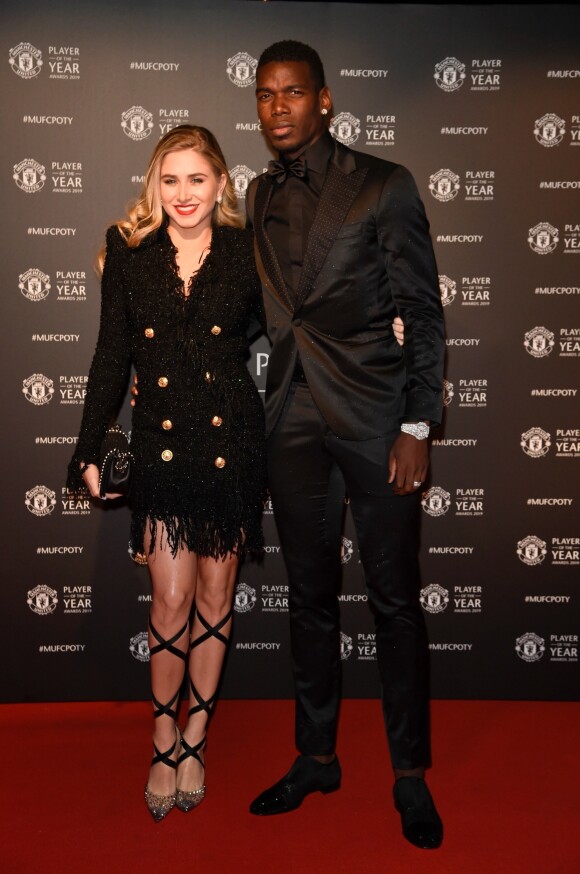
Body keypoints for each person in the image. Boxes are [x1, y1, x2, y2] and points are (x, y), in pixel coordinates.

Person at [246, 41, 445, 850]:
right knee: (308, 599)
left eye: (294, 93)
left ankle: (409, 774)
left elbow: (423, 311)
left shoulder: (384, 184)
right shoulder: (257, 193)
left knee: (395, 603)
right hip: (291, 420)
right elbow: (264, 312)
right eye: (265, 95)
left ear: (325, 100)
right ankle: (317, 754)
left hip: (374, 420)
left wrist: (417, 423)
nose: (279, 107)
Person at [67, 125, 267, 822]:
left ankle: (196, 734)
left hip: (231, 446)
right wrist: (89, 448)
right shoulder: (129, 255)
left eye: (198, 180)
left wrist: (381, 332)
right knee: (171, 602)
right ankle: (161, 734)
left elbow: (305, 327)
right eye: (171, 180)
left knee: (216, 599)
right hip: (161, 450)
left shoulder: (248, 253)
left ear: (220, 185)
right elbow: (108, 358)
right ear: (157, 185)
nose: (184, 194)